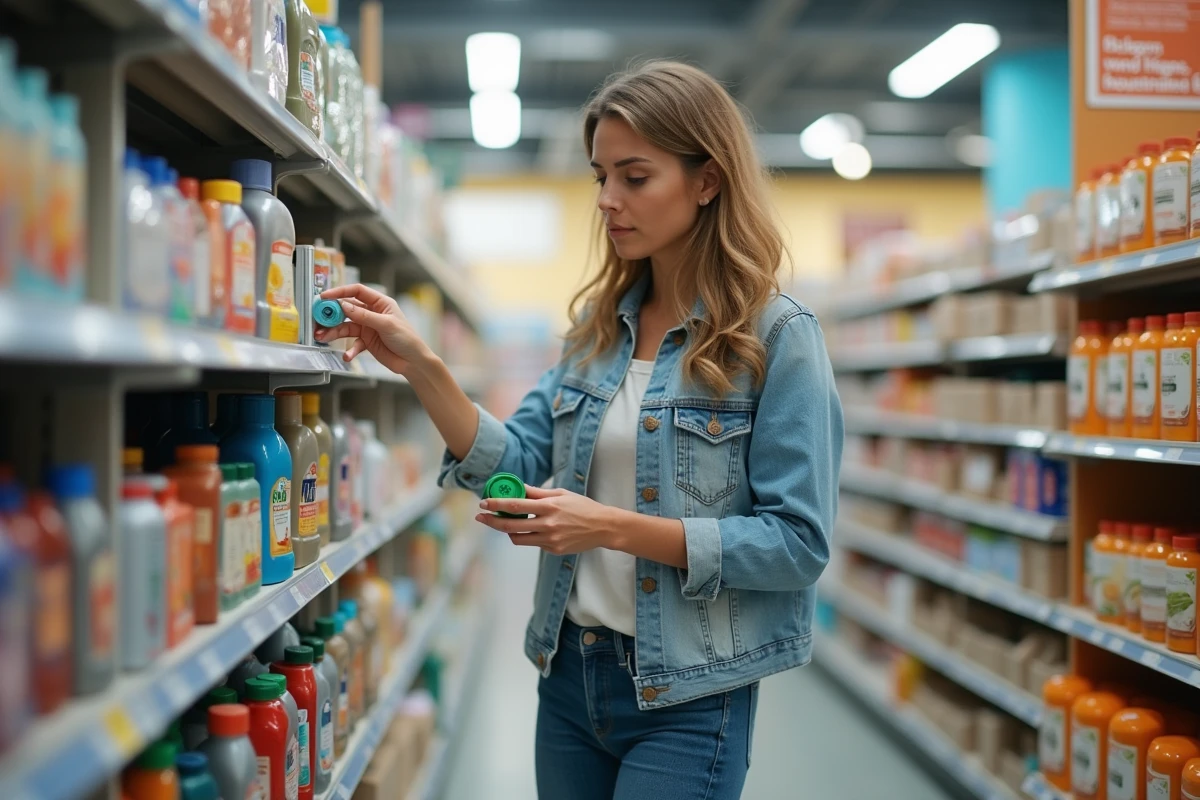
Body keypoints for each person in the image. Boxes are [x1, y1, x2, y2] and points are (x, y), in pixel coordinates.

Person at [315, 60, 843, 800]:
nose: (607, 200)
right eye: (600, 177)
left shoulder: (776, 338)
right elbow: (518, 454)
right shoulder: (597, 332)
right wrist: (422, 364)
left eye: (634, 177)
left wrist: (610, 527)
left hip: (688, 695)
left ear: (707, 180)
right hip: (569, 676)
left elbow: (797, 543)